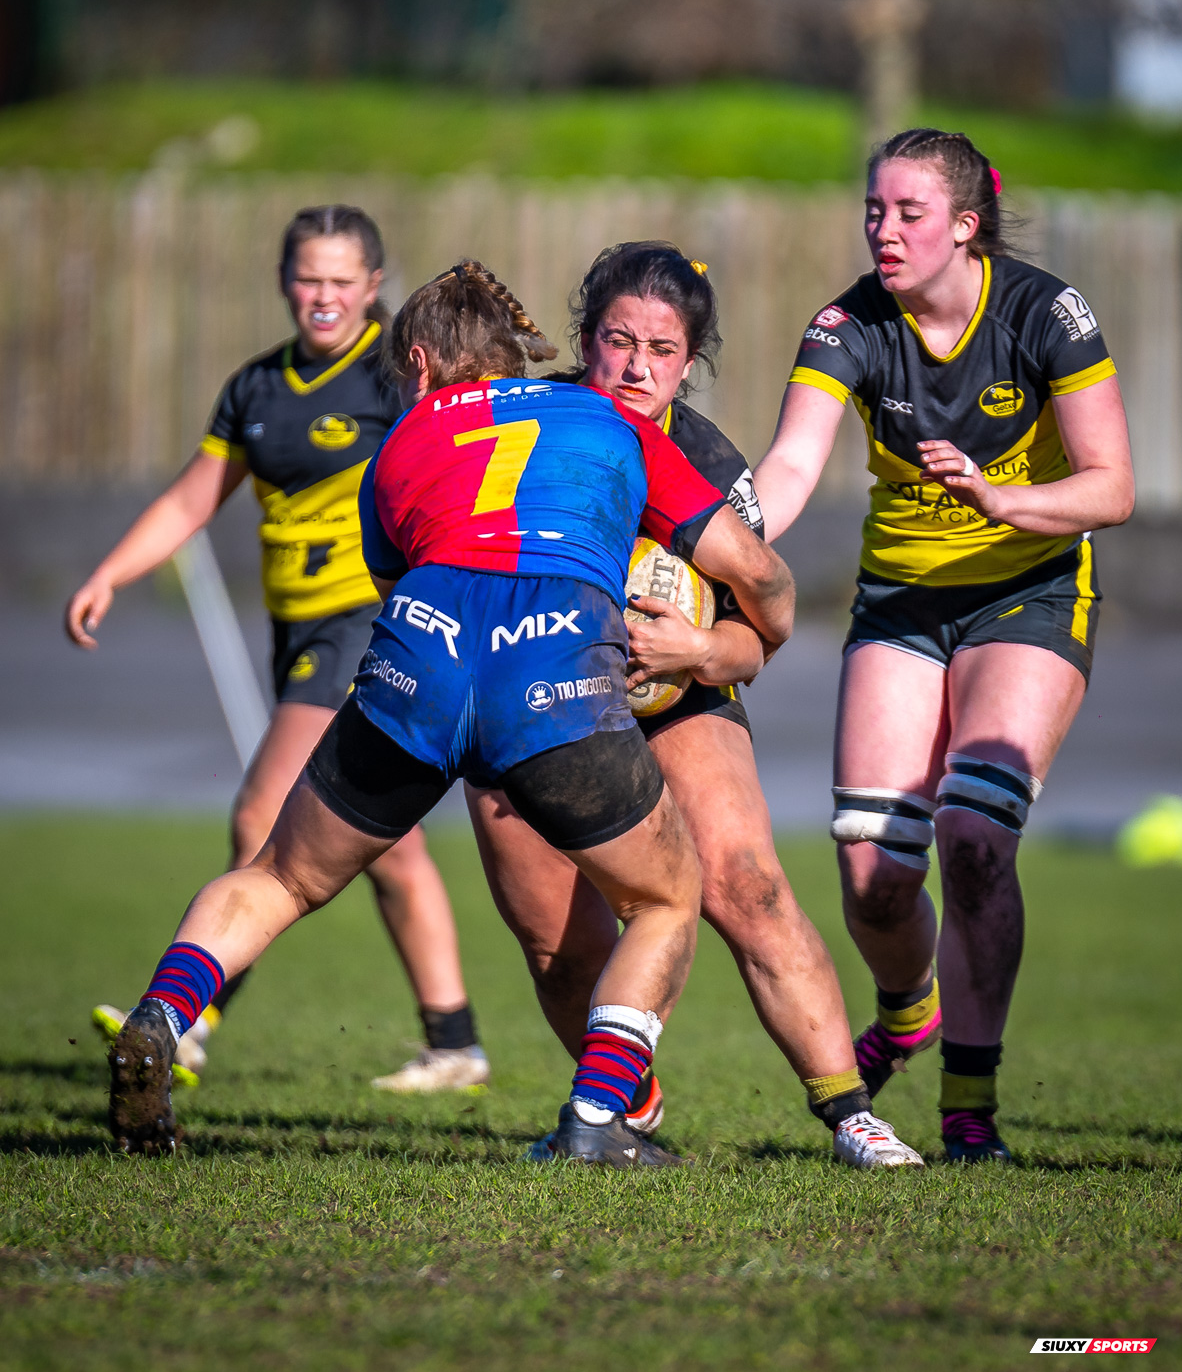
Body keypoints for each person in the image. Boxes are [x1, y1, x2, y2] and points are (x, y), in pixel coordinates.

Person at [105, 258, 796, 1164]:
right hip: (551, 672)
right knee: (666, 897)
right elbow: (755, 570)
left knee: (278, 875)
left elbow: (398, 579)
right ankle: (596, 1121)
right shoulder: (610, 421)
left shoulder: (395, 448)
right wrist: (759, 636)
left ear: (422, 366)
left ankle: (161, 1016)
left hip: (418, 659)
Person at [468, 243, 923, 1169]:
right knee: (552, 933)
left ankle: (851, 1116)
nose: (636, 366)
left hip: (679, 698)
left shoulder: (708, 461)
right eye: (616, 339)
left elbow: (762, 633)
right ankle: (622, 1103)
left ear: (690, 359)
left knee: (745, 885)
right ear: (584, 338)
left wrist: (699, 648)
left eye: (662, 349)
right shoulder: (529, 423)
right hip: (527, 699)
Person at [753, 129, 1135, 1163]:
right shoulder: (845, 327)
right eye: (872, 210)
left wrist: (1000, 497)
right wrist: (716, 534)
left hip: (1030, 592)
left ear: (964, 226)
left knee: (971, 841)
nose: (881, 230)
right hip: (902, 603)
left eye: (906, 213)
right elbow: (789, 467)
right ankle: (905, 1006)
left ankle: (969, 1112)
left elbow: (1111, 486)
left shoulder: (1043, 314)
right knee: (873, 869)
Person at [67, 205, 489, 1094]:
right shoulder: (255, 388)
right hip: (294, 635)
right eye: (308, 278)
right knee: (385, 842)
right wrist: (111, 572)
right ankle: (454, 1044)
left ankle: (185, 1018)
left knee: (263, 815)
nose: (324, 296)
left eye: (342, 280)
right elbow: (192, 502)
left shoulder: (395, 377)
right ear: (282, 280)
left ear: (374, 286)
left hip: (365, 627)